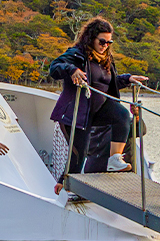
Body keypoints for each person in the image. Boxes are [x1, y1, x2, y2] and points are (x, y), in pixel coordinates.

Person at [48, 18, 149, 174]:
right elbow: (54, 68)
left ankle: (114, 159)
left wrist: (128, 78)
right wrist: (71, 69)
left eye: (109, 43)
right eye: (102, 42)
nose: (105, 46)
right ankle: (65, 187)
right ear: (91, 38)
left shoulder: (106, 59)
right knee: (78, 156)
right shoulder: (76, 54)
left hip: (99, 108)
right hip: (80, 113)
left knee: (122, 115)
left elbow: (108, 84)